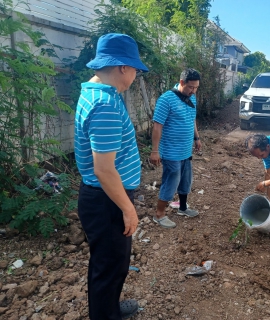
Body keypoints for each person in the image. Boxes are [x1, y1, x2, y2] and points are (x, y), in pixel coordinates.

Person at [74, 33, 149, 319]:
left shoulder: (95, 92)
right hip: (107, 201)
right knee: (110, 266)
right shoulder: (105, 104)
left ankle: (109, 309)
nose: (135, 75)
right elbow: (104, 169)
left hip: (104, 198)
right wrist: (128, 209)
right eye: (134, 69)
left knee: (111, 263)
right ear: (122, 67)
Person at [149, 68, 202, 228]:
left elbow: (192, 120)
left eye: (196, 88)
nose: (193, 91)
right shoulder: (166, 99)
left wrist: (197, 138)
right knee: (171, 181)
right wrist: (155, 151)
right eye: (190, 87)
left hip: (186, 150)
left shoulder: (192, 98)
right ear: (181, 83)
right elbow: (158, 126)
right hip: (171, 151)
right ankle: (159, 215)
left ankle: (183, 208)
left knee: (186, 180)